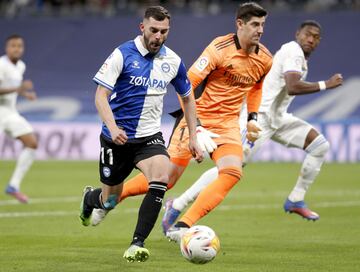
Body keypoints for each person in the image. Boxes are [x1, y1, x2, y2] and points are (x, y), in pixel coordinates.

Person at [90, 2, 272, 243]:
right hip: (197, 119)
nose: (260, 30)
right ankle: (106, 198)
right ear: (240, 24)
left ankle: (182, 224)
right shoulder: (219, 49)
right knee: (167, 179)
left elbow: (256, 86)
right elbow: (189, 85)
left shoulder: (265, 59)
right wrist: (195, 127)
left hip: (227, 125)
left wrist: (252, 118)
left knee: (232, 172)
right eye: (255, 24)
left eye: (262, 25)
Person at [161, 20, 343, 230]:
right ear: (297, 34)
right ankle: (178, 204)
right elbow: (292, 86)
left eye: (316, 37)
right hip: (258, 119)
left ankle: (295, 199)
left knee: (320, 146)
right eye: (307, 34)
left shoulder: (301, 59)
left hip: (278, 118)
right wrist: (325, 85)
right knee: (231, 167)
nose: (311, 39)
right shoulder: (292, 50)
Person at [78, 6, 203, 263]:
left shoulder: (173, 61)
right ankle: (90, 199)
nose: (158, 36)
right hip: (116, 138)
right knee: (110, 200)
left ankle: (137, 243)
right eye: (154, 30)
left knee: (161, 177)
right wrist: (113, 128)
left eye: (164, 31)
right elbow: (100, 96)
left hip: (149, 137)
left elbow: (188, 99)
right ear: (142, 27)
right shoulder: (122, 54)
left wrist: (193, 136)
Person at [0, 34, 38, 203]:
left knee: (32, 143)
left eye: (19, 46)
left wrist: (25, 93)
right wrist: (19, 88)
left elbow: (13, 89)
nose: (16, 49)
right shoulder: (1, 65)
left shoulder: (20, 66)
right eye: (13, 46)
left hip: (10, 112)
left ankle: (13, 185)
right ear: (7, 48)